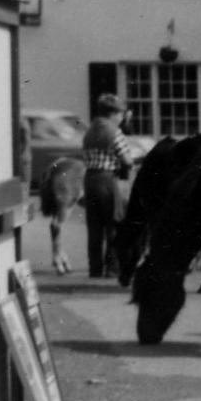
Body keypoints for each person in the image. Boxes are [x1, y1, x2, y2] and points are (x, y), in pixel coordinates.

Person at [80, 93, 137, 278]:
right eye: (120, 114)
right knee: (113, 224)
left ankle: (94, 269)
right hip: (107, 180)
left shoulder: (89, 132)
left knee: (94, 228)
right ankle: (112, 268)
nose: (121, 118)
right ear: (112, 113)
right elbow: (127, 161)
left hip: (90, 179)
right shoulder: (114, 132)